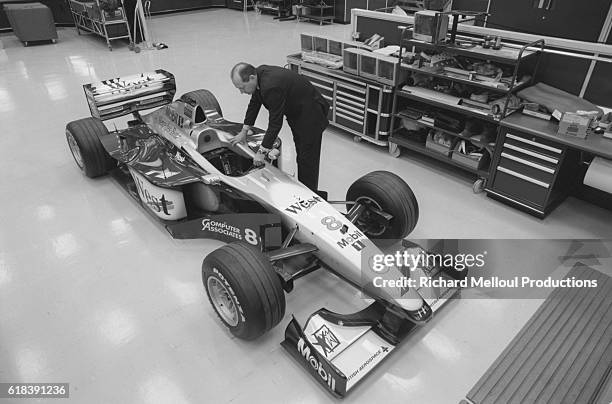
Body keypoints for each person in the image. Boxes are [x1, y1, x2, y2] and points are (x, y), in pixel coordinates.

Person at [229, 63, 330, 193]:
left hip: (310, 114)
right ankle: (305, 188)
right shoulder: (259, 75)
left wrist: (261, 153)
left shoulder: (271, 86)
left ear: (252, 77)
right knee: (301, 153)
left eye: (242, 88)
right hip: (297, 112)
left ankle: (309, 194)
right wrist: (244, 131)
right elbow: (254, 104)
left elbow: (275, 123)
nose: (241, 92)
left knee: (307, 158)